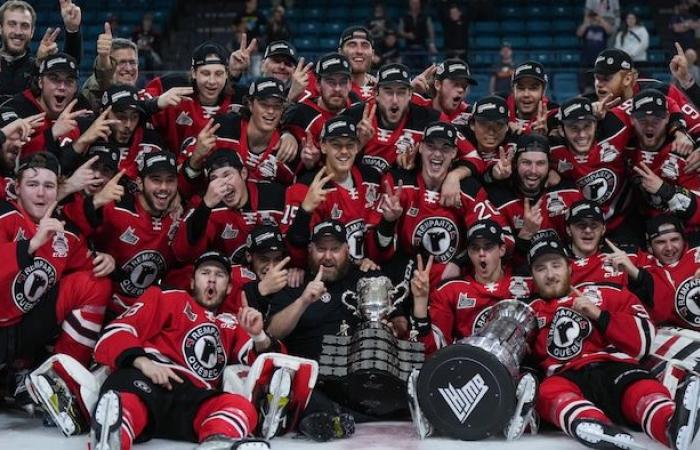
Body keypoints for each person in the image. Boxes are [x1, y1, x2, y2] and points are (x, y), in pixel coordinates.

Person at [90, 250, 280, 450]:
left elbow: (263, 361)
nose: (212, 280)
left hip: (193, 396)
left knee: (242, 407)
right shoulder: (169, 297)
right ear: (192, 282)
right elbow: (116, 331)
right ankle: (113, 435)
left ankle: (218, 441)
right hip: (148, 380)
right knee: (125, 401)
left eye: (220, 275)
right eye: (205, 273)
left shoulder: (232, 322)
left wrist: (258, 335)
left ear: (229, 287)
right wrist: (143, 362)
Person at [526, 236, 700, 450]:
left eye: (556, 265)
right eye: (541, 269)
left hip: (615, 368)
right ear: (532, 276)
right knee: (546, 392)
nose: (550, 275)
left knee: (642, 389)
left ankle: (669, 424)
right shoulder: (529, 311)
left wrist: (600, 315)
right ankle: (593, 424)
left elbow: (643, 339)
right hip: (566, 376)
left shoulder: (608, 292)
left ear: (570, 268)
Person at [0, 152, 113, 404]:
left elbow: (87, 267)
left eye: (48, 186)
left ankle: (61, 381)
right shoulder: (4, 215)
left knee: (95, 283)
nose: (41, 193)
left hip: (22, 329)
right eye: (32, 184)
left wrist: (107, 261)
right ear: (17, 188)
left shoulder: (63, 233)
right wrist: (29, 245)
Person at [283, 116, 381, 265]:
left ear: (357, 147)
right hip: (324, 274)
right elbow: (293, 252)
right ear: (323, 146)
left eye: (350, 145)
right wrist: (305, 211)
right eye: (336, 145)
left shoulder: (372, 179)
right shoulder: (305, 187)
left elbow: (380, 249)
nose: (344, 151)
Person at [0, 0, 83, 101]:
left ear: (32, 32)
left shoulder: (38, 66)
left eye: (24, 26)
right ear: (1, 28)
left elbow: (69, 69)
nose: (18, 31)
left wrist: (72, 30)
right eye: (12, 24)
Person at [577, 11, 614, 94]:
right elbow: (579, 33)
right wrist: (586, 22)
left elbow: (610, 31)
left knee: (601, 86)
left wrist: (600, 19)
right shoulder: (586, 28)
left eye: (595, 17)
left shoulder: (602, 28)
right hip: (587, 61)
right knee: (587, 87)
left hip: (600, 62)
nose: (594, 18)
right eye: (592, 17)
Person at [398, 0, 437, 70]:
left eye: (416, 3)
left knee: (428, 65)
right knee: (406, 66)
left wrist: (432, 44)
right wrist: (407, 34)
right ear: (409, 4)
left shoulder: (425, 17)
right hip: (409, 47)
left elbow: (430, 31)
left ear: (419, 4)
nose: (414, 5)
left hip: (423, 47)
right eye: (413, 3)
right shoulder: (404, 17)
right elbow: (400, 31)